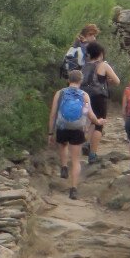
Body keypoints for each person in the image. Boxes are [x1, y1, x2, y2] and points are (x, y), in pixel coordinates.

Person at [47, 68, 105, 199]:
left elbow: (53, 115)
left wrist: (50, 133)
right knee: (76, 160)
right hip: (77, 129)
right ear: (81, 81)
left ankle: (63, 167)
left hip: (62, 127)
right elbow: (89, 114)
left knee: (63, 145)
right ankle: (73, 188)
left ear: (68, 80)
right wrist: (98, 122)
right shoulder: (84, 95)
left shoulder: (60, 93)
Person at [80, 42, 121, 165]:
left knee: (92, 120)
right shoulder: (103, 65)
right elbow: (117, 81)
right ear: (101, 53)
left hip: (86, 97)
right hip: (99, 97)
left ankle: (87, 143)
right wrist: (107, 82)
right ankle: (93, 155)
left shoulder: (84, 66)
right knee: (99, 125)